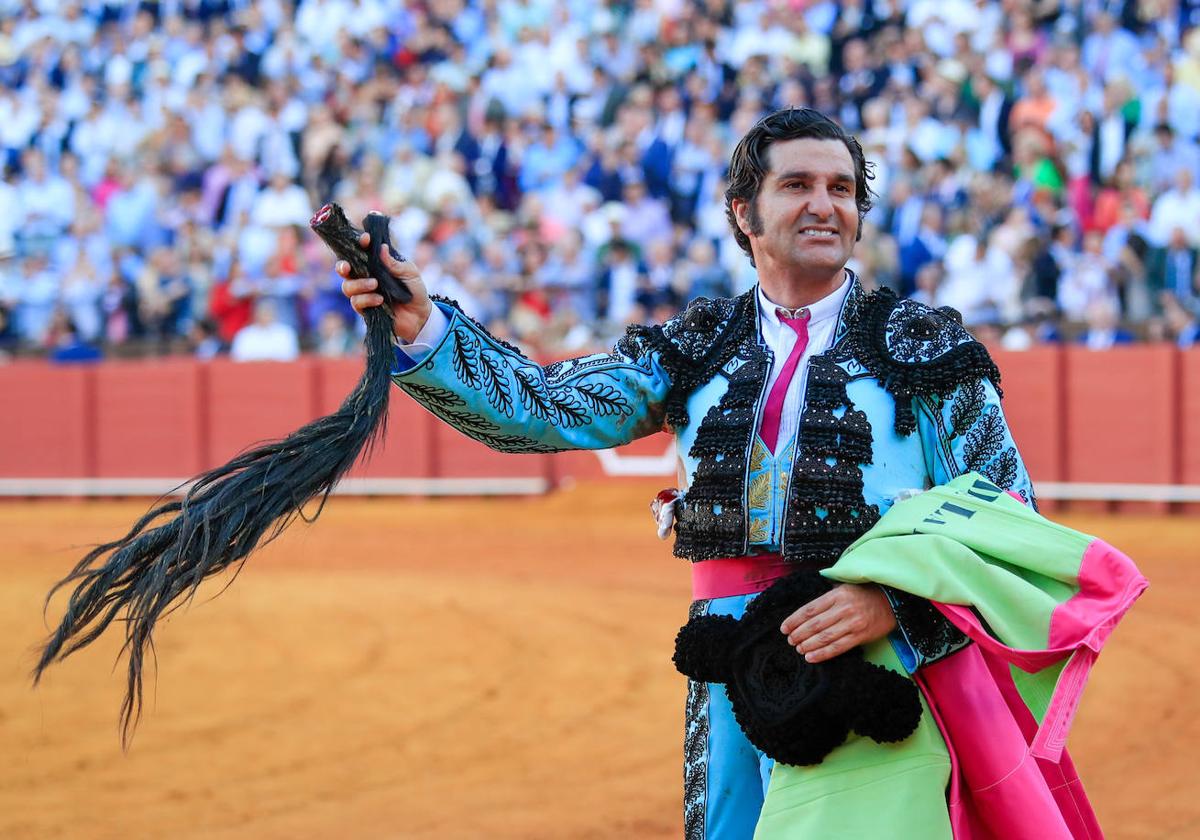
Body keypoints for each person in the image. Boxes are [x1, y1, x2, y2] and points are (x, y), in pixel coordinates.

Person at [339, 109, 1034, 838]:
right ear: (744, 212)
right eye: (797, 184)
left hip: (869, 656)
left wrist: (896, 605)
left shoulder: (925, 348)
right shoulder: (694, 346)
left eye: (842, 188)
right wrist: (425, 328)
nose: (825, 205)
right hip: (730, 663)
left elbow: (1008, 515)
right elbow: (545, 407)